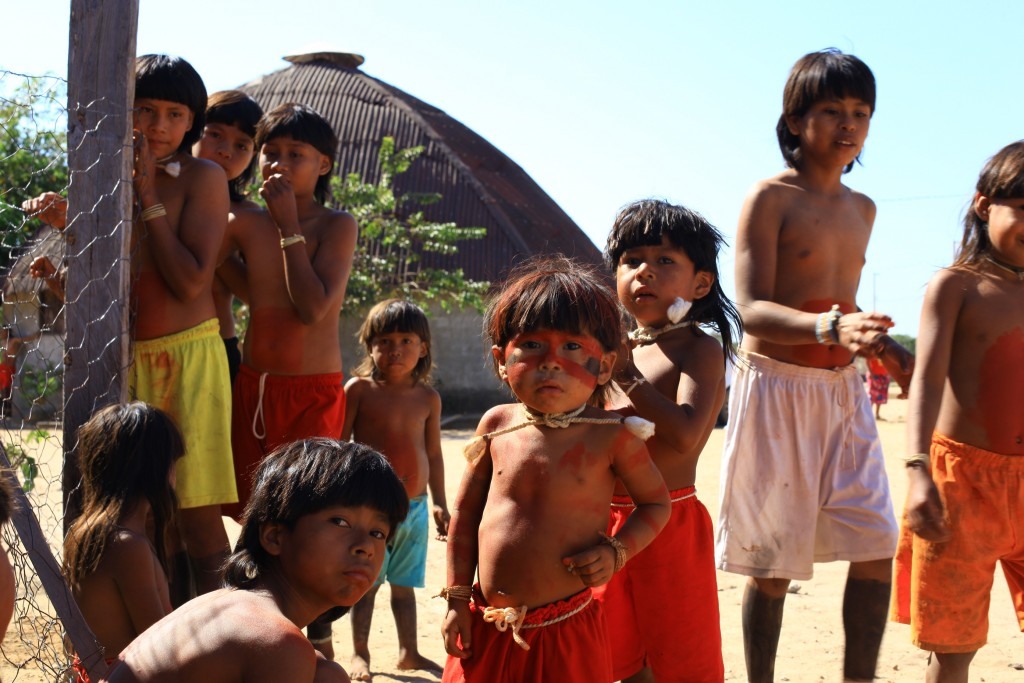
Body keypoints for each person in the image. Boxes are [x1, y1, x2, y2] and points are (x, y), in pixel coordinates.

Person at [715, 49, 914, 683]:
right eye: (832, 111)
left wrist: (877, 343)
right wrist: (829, 325)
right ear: (796, 119)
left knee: (877, 541)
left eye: (861, 113)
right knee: (773, 564)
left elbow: (844, 303)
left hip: (842, 392)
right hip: (777, 390)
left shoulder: (864, 209)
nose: (848, 125)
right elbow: (750, 310)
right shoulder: (769, 197)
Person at [24, 55, 237, 597]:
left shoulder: (202, 178)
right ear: (124, 112)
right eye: (144, 109)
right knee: (140, 513)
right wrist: (70, 229)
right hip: (123, 359)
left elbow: (189, 282)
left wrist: (145, 196)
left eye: (173, 113)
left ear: (192, 123)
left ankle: (225, 630)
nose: (157, 126)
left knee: (196, 513)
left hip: (189, 358)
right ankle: (160, 638)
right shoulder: (102, 179)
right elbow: (112, 283)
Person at [440, 255, 671, 683]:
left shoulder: (613, 435)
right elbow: (466, 516)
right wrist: (455, 598)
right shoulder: (495, 425)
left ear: (604, 366)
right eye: (531, 345)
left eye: (571, 347)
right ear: (500, 360)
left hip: (566, 632)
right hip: (486, 624)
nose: (550, 361)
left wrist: (616, 552)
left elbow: (657, 504)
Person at [219, 102, 358, 651]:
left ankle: (314, 641)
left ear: (322, 164)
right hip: (255, 384)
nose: (278, 164)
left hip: (310, 391)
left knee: (306, 514)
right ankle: (258, 632)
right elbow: (255, 294)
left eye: (294, 155)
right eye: (270, 153)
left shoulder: (336, 225)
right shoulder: (250, 220)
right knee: (256, 515)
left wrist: (287, 228)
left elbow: (311, 306)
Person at [102, 437, 410, 683]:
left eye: (378, 533)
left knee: (328, 675)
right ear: (274, 536)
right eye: (340, 522)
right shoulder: (274, 641)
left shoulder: (236, 606)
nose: (365, 547)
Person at [891, 141, 1024, 683]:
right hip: (961, 484)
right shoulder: (958, 286)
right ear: (984, 204)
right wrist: (918, 471)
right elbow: (925, 379)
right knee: (953, 649)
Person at [596, 199, 742, 682]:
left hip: (669, 521)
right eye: (631, 260)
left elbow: (683, 435)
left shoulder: (699, 348)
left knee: (673, 660)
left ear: (700, 283)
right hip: (601, 521)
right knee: (611, 656)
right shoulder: (606, 351)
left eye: (664, 261)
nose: (644, 273)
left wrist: (627, 376)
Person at [343, 299, 449, 680]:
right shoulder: (359, 390)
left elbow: (434, 454)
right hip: (368, 509)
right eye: (385, 340)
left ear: (423, 348)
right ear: (370, 345)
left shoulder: (428, 398)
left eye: (407, 340)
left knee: (404, 586)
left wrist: (440, 503)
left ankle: (410, 652)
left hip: (416, 507)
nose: (395, 349)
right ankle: (360, 656)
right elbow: (341, 445)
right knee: (366, 585)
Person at [63, 402, 184, 681]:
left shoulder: (89, 530)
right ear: (155, 470)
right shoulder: (128, 546)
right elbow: (158, 642)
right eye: (173, 463)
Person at [192, 90, 263, 386]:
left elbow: (257, 296)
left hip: (218, 346)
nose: (226, 150)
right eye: (215, 135)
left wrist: (217, 250)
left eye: (242, 145)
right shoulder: (158, 194)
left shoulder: (248, 215)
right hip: (151, 342)